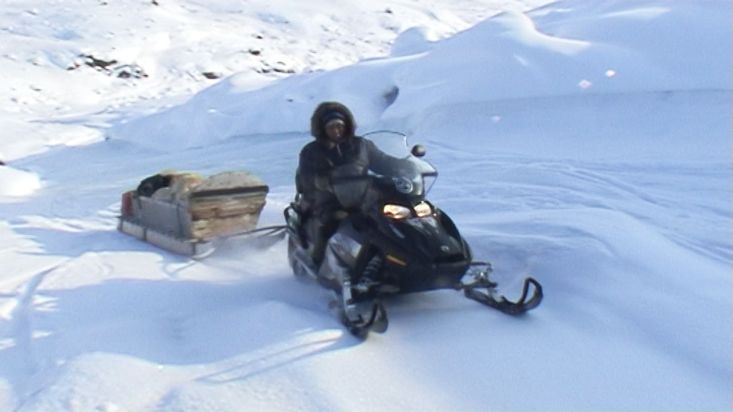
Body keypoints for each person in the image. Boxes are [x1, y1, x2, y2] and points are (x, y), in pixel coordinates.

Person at [296, 101, 388, 265]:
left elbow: (383, 162)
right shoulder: (311, 151)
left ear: (347, 125)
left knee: (387, 219)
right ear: (322, 128)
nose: (337, 130)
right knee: (333, 221)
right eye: (331, 127)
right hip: (329, 200)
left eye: (340, 125)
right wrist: (320, 181)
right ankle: (319, 260)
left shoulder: (361, 145)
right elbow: (305, 177)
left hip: (363, 197)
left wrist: (404, 167)